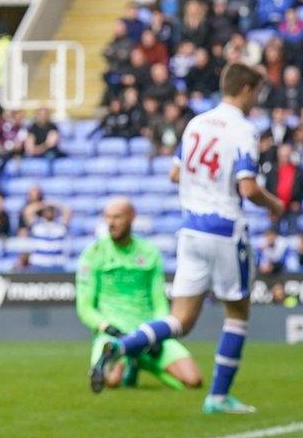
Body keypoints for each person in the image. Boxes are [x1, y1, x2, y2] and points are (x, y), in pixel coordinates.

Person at [91, 63, 284, 414]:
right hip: (225, 229)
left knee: (181, 320)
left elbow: (174, 173)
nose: (257, 99)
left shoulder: (196, 123)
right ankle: (219, 397)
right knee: (238, 313)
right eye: (256, 92)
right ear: (244, 89)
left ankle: (121, 348)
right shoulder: (243, 129)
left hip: (191, 229)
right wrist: (274, 204)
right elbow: (248, 187)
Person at [77, 197, 202, 391]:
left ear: (131, 218)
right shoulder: (93, 253)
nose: (110, 223)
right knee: (111, 381)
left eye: (117, 217)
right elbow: (85, 307)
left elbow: (159, 301)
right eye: (107, 218)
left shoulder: (149, 252)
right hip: (113, 334)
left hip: (147, 332)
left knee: (193, 381)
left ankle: (137, 360)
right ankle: (130, 364)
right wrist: (108, 328)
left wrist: (158, 333)